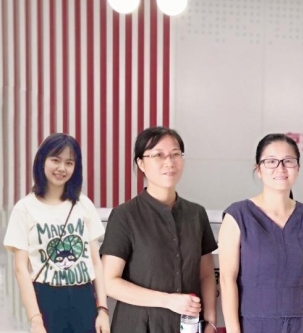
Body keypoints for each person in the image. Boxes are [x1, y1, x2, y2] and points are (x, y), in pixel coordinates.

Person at [100, 126, 218, 332]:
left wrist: (210, 322)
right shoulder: (125, 215)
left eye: (175, 154)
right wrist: (167, 300)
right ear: (141, 163)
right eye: (158, 155)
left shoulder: (196, 214)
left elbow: (206, 275)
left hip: (187, 326)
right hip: (137, 325)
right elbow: (109, 282)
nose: (169, 162)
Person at [3, 133, 110, 333]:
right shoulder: (24, 209)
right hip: (47, 298)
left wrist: (103, 310)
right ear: (42, 161)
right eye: (55, 160)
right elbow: (21, 269)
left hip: (84, 297)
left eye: (69, 163)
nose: (62, 168)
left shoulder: (83, 204)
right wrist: (36, 319)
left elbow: (95, 262)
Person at [219, 134, 303, 333]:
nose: (280, 168)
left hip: (297, 324)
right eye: (271, 161)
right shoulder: (238, 215)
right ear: (258, 169)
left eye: (288, 161)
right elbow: (227, 279)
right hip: (253, 324)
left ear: (298, 168)